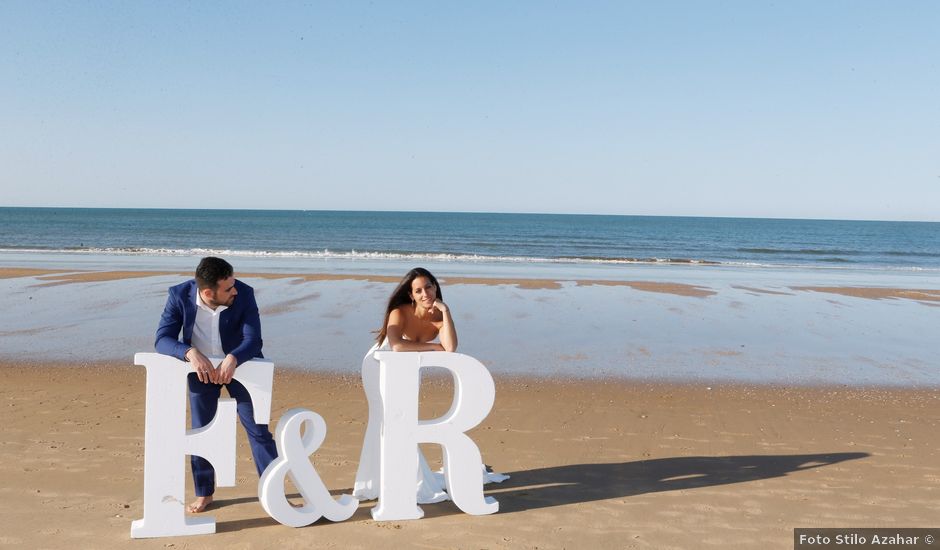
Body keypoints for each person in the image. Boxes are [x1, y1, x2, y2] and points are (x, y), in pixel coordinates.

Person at [353, 267, 506, 503]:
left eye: (428, 287)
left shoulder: (438, 318)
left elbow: (451, 347)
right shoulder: (399, 311)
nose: (425, 293)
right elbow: (396, 346)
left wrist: (446, 312)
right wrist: (434, 348)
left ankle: (392, 479)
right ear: (411, 295)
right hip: (379, 365)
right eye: (418, 290)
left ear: (436, 287)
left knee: (400, 421)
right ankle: (392, 480)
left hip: (407, 369)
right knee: (387, 419)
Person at [154, 256, 277, 513]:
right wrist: (189, 352)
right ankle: (204, 493)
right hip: (202, 371)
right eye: (228, 288)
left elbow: (254, 340)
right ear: (208, 292)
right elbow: (162, 339)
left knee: (258, 430)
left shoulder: (244, 293)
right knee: (201, 431)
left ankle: (273, 491)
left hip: (243, 366)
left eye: (233, 284)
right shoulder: (178, 296)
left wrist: (233, 357)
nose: (235, 290)